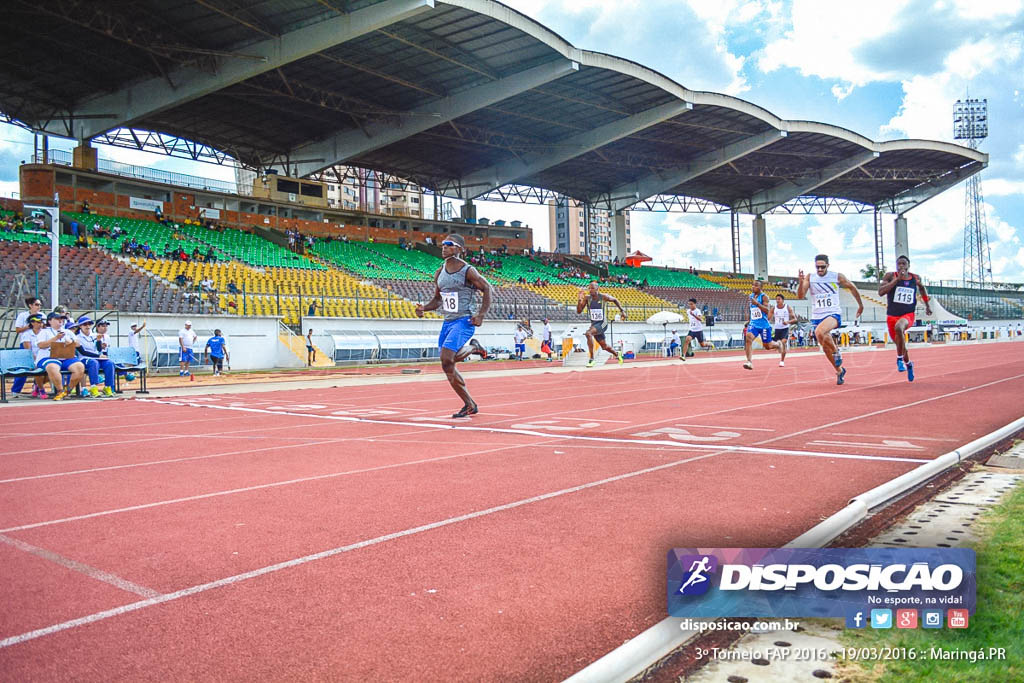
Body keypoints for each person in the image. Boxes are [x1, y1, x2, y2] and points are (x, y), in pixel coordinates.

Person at [415, 234, 491, 418]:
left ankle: (474, 347)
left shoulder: (468, 271)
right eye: (443, 245)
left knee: (447, 358)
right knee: (446, 365)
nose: (444, 247)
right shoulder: (439, 272)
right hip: (447, 322)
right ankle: (469, 404)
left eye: (449, 245)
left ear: (459, 249)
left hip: (464, 320)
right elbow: (437, 300)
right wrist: (424, 308)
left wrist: (480, 315)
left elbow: (487, 288)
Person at [797, 254, 863, 385]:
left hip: (833, 313)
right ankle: (839, 370)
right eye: (817, 267)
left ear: (828, 265)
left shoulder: (836, 276)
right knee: (825, 347)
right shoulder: (811, 277)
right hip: (817, 316)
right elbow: (800, 296)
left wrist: (860, 305)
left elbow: (852, 287)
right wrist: (800, 282)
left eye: (822, 267)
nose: (820, 270)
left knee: (819, 332)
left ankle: (837, 352)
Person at [878, 255, 932, 382]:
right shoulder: (890, 276)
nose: (901, 266)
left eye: (904, 264)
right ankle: (908, 364)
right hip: (892, 315)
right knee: (901, 345)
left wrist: (927, 305)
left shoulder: (915, 278)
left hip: (908, 314)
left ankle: (898, 359)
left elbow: (923, 289)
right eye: (899, 264)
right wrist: (896, 281)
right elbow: (880, 292)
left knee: (899, 327)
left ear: (908, 266)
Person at [36, 312, 86, 400]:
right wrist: (55, 339)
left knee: (80, 367)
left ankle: (68, 390)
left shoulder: (67, 332)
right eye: (57, 319)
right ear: (50, 321)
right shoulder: (44, 332)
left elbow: (78, 344)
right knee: (53, 367)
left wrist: (71, 342)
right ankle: (60, 391)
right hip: (49, 357)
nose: (60, 321)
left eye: (61, 319)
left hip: (66, 357)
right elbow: (41, 345)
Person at [576, 281, 626, 367]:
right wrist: (579, 299)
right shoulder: (587, 298)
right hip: (594, 324)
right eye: (589, 288)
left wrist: (622, 311)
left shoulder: (603, 297)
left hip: (603, 323)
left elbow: (615, 300)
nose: (590, 290)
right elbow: (579, 311)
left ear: (597, 289)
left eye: (592, 288)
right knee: (604, 346)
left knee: (588, 333)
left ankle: (591, 359)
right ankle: (617, 354)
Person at [72, 316, 116, 397]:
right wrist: (98, 355)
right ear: (80, 326)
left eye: (89, 324)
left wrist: (99, 341)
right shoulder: (77, 337)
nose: (87, 326)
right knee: (93, 363)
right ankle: (93, 387)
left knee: (109, 363)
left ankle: (108, 387)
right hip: (84, 358)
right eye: (85, 324)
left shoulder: (94, 335)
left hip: (97, 357)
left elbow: (99, 349)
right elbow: (83, 352)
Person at [742, 281, 779, 370]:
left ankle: (778, 345)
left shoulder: (764, 297)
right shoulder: (751, 296)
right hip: (754, 324)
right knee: (748, 338)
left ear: (760, 287)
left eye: (756, 285)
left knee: (767, 346)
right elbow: (752, 310)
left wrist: (757, 304)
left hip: (764, 325)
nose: (753, 286)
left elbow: (767, 311)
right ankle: (749, 362)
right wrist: (749, 320)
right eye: (753, 285)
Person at [11, 297, 44, 396]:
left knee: (40, 366)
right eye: (37, 305)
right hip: (26, 342)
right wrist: (28, 327)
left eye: (40, 305)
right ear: (30, 305)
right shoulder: (23, 315)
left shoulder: (42, 315)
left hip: (39, 342)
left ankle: (37, 387)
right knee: (24, 367)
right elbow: (17, 330)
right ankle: (16, 390)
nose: (39, 307)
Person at [771, 294, 798, 367]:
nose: (777, 300)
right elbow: (768, 317)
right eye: (776, 299)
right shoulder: (774, 308)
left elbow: (795, 319)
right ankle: (778, 347)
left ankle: (782, 361)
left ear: (782, 300)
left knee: (783, 343)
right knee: (771, 345)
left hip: (785, 328)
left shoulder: (787, 307)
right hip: (777, 329)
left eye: (779, 299)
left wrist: (788, 322)